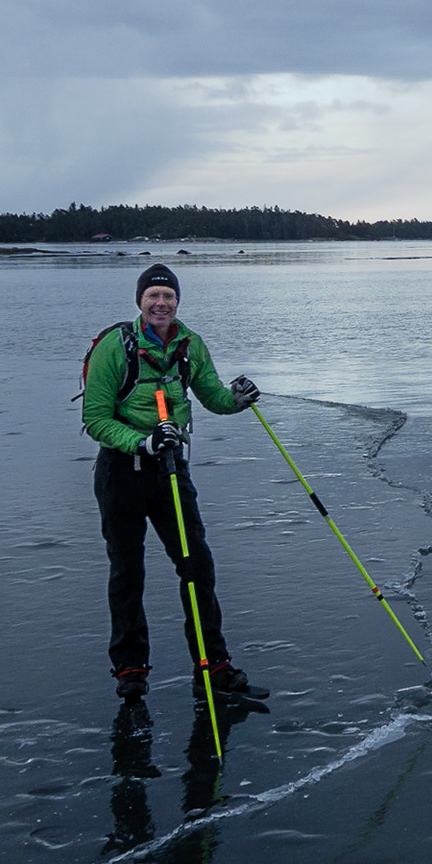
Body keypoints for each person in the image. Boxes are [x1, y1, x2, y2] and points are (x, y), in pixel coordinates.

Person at [82, 262, 266, 701]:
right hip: (122, 472)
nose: (161, 303)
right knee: (127, 571)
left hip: (170, 470)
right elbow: (95, 419)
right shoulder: (114, 347)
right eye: (153, 296)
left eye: (168, 296)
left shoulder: (190, 344)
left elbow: (212, 395)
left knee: (196, 565)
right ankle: (130, 670)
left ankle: (213, 665)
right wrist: (142, 441)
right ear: (140, 301)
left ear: (177, 301)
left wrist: (237, 399)